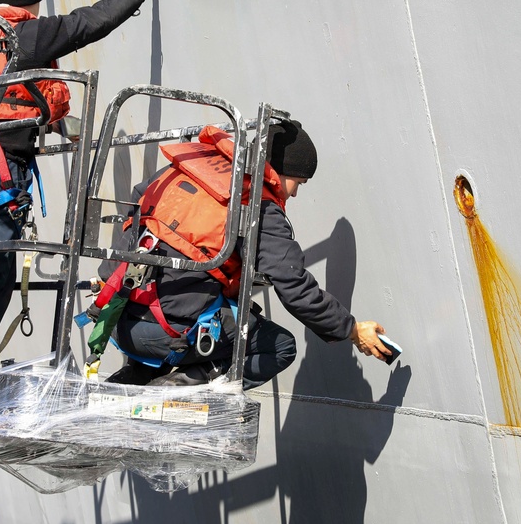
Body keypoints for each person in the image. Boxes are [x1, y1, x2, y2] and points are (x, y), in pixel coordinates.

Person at [0, 0, 159, 369]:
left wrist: (52, 120)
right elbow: (87, 23)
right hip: (1, 171)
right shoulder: (26, 33)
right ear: (30, 4)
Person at [98, 119, 393, 388]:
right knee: (278, 346)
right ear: (281, 171)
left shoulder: (190, 169)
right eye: (298, 183)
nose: (294, 194)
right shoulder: (256, 203)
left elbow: (136, 205)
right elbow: (295, 287)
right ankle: (181, 388)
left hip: (114, 317)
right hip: (165, 332)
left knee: (197, 295)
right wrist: (352, 329)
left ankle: (134, 376)